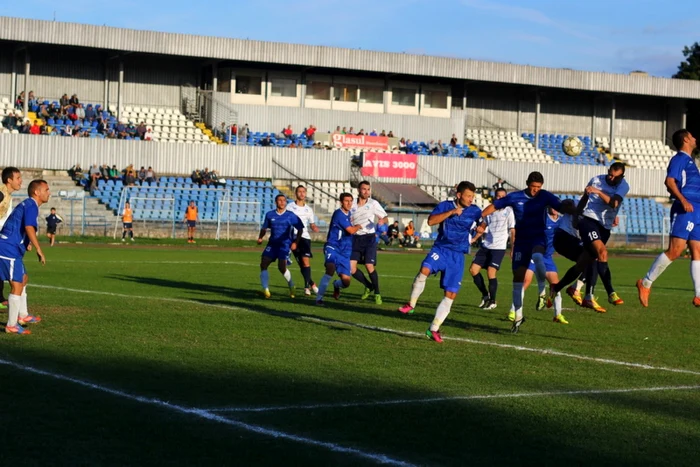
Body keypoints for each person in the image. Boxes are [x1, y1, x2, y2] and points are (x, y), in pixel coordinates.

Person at [480, 171, 575, 333]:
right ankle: (518, 316)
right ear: (527, 184)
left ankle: (541, 292)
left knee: (538, 256)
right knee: (518, 279)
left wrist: (573, 208)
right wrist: (480, 217)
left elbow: (561, 207)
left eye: (538, 187)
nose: (535, 190)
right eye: (533, 187)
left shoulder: (544, 196)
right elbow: (495, 206)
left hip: (538, 238)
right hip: (521, 243)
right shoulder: (515, 197)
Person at [397, 181, 483, 343]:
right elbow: (431, 221)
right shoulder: (445, 206)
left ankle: (433, 329)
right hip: (441, 249)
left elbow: (482, 222)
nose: (471, 199)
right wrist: (451, 212)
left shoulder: (475, 210)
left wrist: (481, 229)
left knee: (450, 295)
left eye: (473, 196)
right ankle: (411, 304)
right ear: (459, 195)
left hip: (458, 256)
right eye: (468, 196)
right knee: (424, 269)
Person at [549, 163, 629, 312]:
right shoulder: (596, 180)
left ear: (621, 177)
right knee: (602, 253)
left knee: (584, 263)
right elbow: (585, 199)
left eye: (615, 177)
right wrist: (577, 215)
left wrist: (598, 192)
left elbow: (614, 203)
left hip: (604, 227)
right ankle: (610, 292)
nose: (611, 178)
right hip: (589, 220)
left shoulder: (623, 186)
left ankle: (558, 287)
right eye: (610, 174)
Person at [637, 129, 699, 307]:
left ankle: (699, 295)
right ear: (686, 139)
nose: (695, 138)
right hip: (685, 209)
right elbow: (669, 181)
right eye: (692, 135)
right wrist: (683, 200)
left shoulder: (690, 161)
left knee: (697, 251)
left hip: (697, 211)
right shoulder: (680, 158)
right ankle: (645, 283)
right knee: (675, 250)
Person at [0, 179, 49, 335]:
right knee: (17, 285)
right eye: (46, 190)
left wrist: (26, 242)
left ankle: (23, 315)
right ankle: (11, 325)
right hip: (9, 249)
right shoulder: (31, 205)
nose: (49, 193)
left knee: (24, 277)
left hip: (10, 247)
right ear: (37, 192)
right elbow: (28, 227)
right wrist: (38, 249)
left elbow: (18, 224)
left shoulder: (28, 204)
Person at [510, 207, 568, 324]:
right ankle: (513, 311)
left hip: (547, 257)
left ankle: (557, 315)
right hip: (534, 254)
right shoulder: (542, 218)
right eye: (553, 206)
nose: (555, 209)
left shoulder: (562, 221)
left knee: (556, 285)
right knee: (526, 281)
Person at [469, 188, 514, 310]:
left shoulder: (509, 211)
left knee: (491, 272)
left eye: (502, 196)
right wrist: (475, 237)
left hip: (498, 248)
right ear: (495, 197)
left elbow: (512, 231)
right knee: (473, 270)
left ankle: (493, 301)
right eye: (498, 196)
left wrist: (513, 248)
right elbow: (483, 225)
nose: (500, 198)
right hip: (486, 245)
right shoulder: (490, 210)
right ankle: (485, 295)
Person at [315, 193, 363, 306]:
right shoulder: (339, 214)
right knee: (330, 269)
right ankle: (319, 298)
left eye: (351, 201)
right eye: (346, 201)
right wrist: (358, 226)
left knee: (346, 282)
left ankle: (336, 285)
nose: (349, 203)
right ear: (341, 202)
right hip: (333, 246)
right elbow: (351, 230)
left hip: (345, 251)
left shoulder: (349, 214)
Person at [257, 194, 304, 299]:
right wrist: (260, 237)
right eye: (280, 200)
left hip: (285, 245)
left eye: (284, 200)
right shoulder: (270, 215)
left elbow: (300, 229)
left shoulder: (291, 215)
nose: (282, 202)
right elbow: (264, 228)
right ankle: (266, 290)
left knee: (282, 267)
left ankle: (292, 285)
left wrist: (295, 242)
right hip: (272, 244)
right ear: (276, 202)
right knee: (263, 264)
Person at [350, 181, 388, 305]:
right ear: (358, 190)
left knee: (369, 265)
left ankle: (377, 293)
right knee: (351, 268)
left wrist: (382, 220)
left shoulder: (373, 203)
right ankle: (368, 286)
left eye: (368, 189)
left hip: (369, 238)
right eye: (364, 189)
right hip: (355, 238)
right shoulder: (351, 204)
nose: (366, 192)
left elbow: (385, 217)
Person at [286, 185, 320, 296]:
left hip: (305, 238)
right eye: (299, 191)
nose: (301, 193)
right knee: (301, 264)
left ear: (305, 194)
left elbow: (312, 223)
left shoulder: (309, 209)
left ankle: (306, 287)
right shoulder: (290, 207)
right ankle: (312, 283)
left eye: (303, 192)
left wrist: (314, 228)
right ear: (296, 193)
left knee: (305, 261)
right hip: (293, 237)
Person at [0, 167, 22, 308]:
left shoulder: (8, 195)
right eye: (18, 178)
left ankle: (0, 298)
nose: (21, 181)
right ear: (9, 180)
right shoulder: (1, 194)